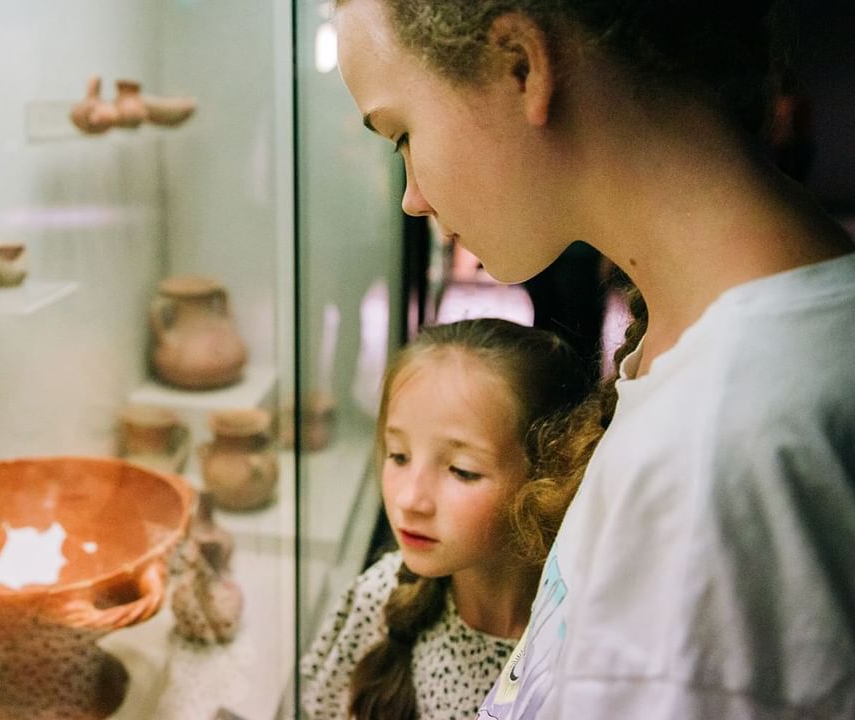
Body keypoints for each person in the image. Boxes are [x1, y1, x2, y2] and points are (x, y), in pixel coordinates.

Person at [332, 1, 855, 718]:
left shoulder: (721, 444)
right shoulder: (702, 356)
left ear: (521, 65)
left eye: (403, 134)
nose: (411, 197)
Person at [300, 318, 591, 720]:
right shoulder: (377, 599)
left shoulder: (585, 651)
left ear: (549, 478)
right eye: (398, 455)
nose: (410, 499)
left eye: (462, 470)